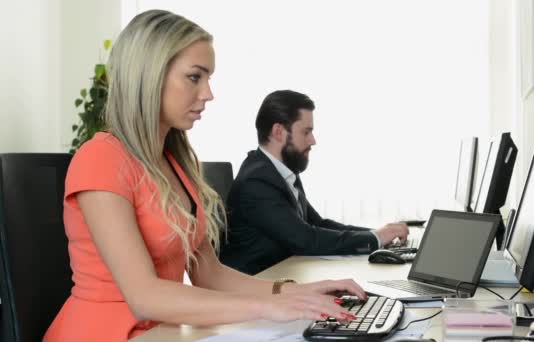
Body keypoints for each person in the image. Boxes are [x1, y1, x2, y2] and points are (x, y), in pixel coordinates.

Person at [45, 10, 365, 342]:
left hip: (162, 332)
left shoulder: (175, 163)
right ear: (149, 74)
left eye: (208, 78)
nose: (208, 93)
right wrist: (267, 308)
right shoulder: (101, 158)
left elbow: (209, 274)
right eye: (195, 77)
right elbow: (145, 298)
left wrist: (292, 293)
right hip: (107, 332)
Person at [220, 90, 409, 275]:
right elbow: (305, 239)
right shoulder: (257, 180)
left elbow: (317, 224)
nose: (313, 140)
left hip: (284, 276)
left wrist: (378, 234)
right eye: (306, 132)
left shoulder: (281, 170)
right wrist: (375, 238)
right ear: (278, 132)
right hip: (258, 288)